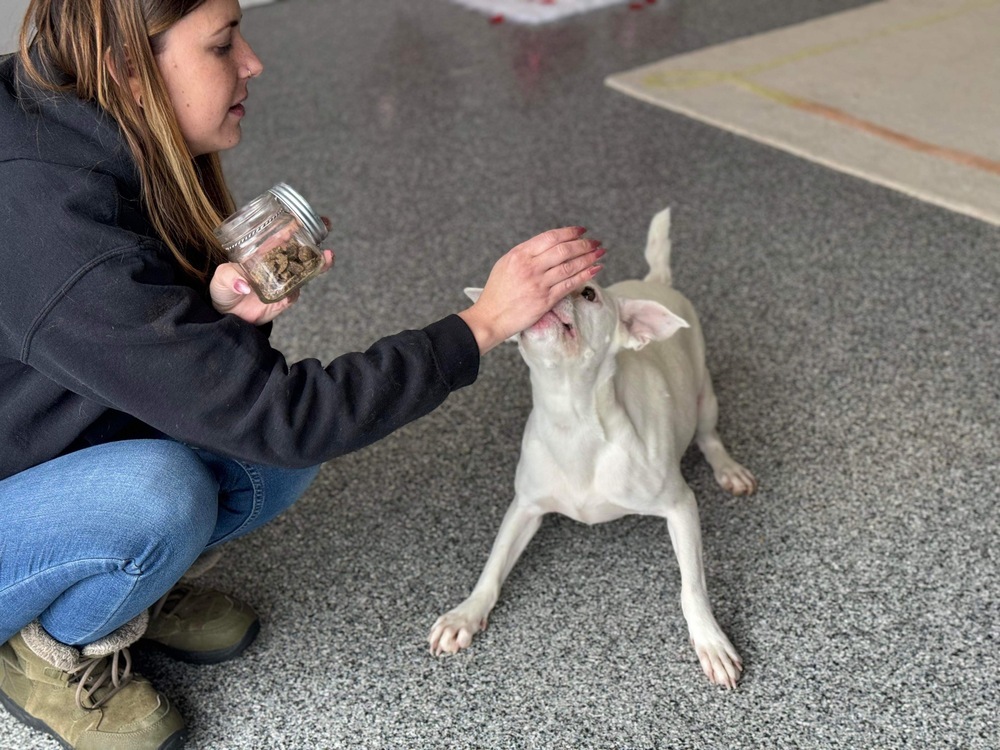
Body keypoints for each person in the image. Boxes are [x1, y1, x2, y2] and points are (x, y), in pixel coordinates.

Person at [0, 0, 605, 747]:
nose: (253, 61)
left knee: (263, 464)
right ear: (128, 69)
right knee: (159, 496)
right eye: (223, 44)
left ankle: (127, 582)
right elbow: (285, 415)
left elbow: (118, 344)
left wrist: (206, 309)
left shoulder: (65, 115)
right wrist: (483, 325)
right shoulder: (52, 227)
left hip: (23, 440)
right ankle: (44, 651)